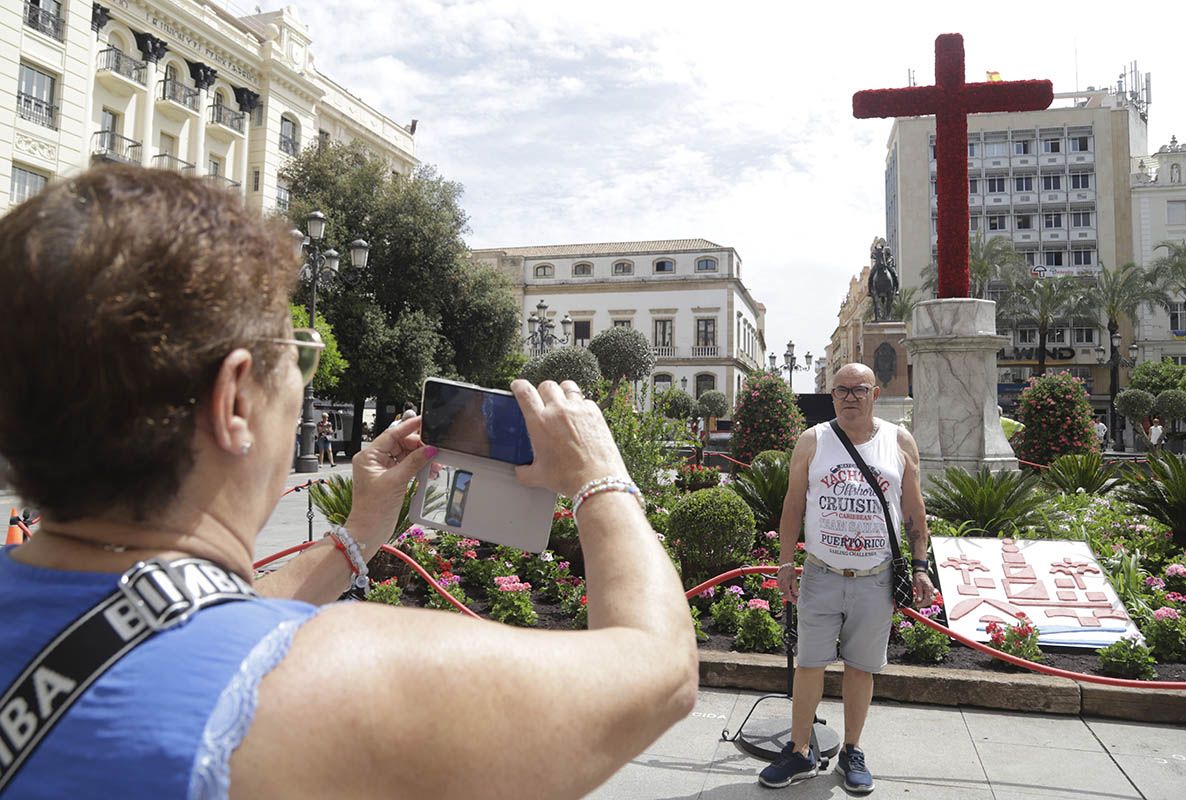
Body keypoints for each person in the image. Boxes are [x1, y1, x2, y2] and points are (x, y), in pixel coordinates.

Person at [0, 166, 697, 799]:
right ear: (235, 400)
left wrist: (361, 531)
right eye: (296, 357)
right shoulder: (328, 681)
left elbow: (164, 622)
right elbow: (658, 672)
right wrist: (600, 476)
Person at [760, 363, 934, 795]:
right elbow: (792, 506)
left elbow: (914, 510)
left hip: (875, 579)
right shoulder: (813, 440)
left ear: (875, 393)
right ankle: (799, 750)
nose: (850, 397)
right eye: (842, 390)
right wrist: (785, 564)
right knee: (809, 664)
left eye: (859, 390)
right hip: (822, 574)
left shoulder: (898, 441)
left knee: (861, 668)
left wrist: (919, 565)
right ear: (831, 395)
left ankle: (851, 749)